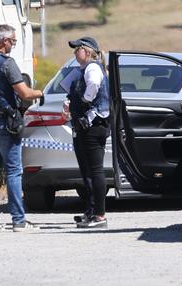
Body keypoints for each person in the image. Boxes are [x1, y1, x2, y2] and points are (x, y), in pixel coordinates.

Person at [0, 24, 44, 232]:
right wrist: (40, 92)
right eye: (12, 41)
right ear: (4, 41)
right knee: (13, 172)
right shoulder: (7, 63)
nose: (13, 44)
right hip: (4, 123)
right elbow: (24, 94)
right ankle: (18, 220)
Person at [64, 37, 110, 228]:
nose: (75, 53)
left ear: (88, 51)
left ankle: (99, 216)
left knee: (95, 171)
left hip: (93, 125)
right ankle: (91, 211)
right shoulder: (83, 70)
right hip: (85, 126)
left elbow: (93, 86)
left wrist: (84, 101)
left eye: (78, 49)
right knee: (88, 171)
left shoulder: (92, 68)